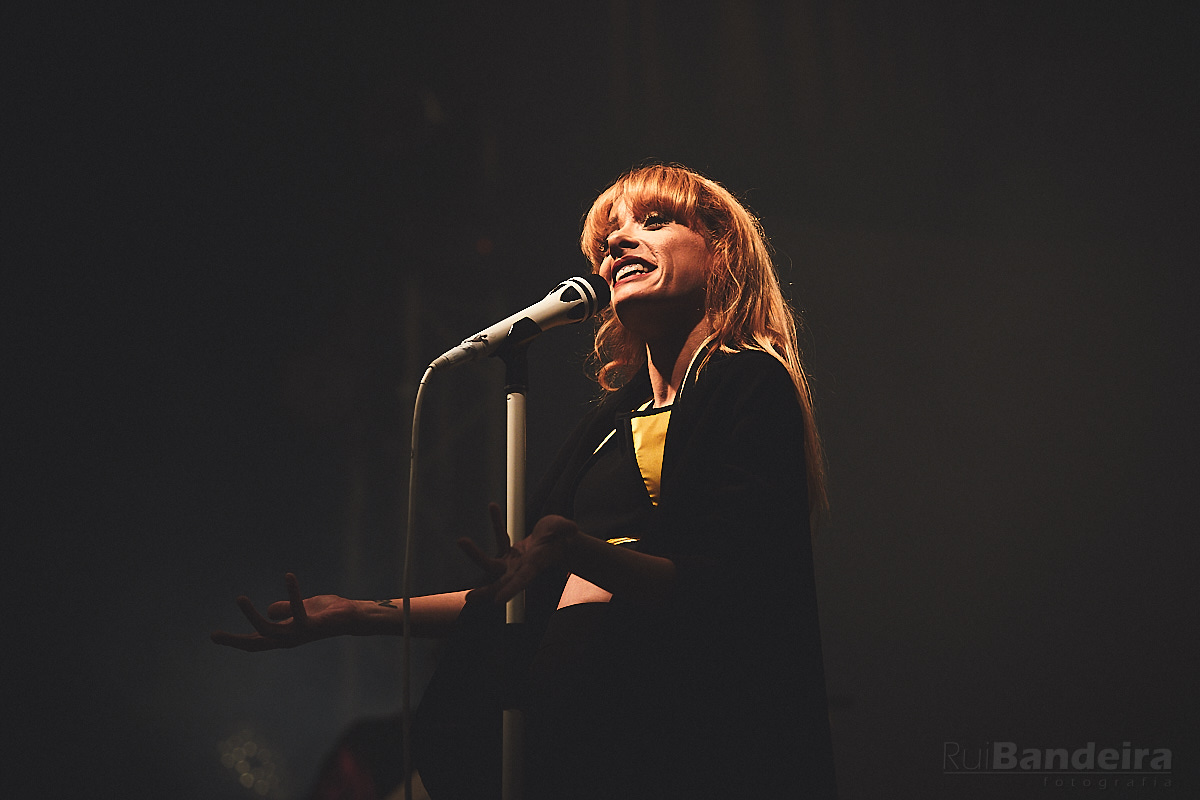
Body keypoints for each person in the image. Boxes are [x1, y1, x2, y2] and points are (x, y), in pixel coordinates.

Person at [213, 164, 837, 799]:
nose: (619, 242)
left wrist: (575, 551)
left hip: (676, 735)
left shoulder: (746, 380)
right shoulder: (610, 424)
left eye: (653, 222)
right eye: (608, 237)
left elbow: (730, 582)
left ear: (723, 251)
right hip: (570, 734)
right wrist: (358, 614)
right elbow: (509, 592)